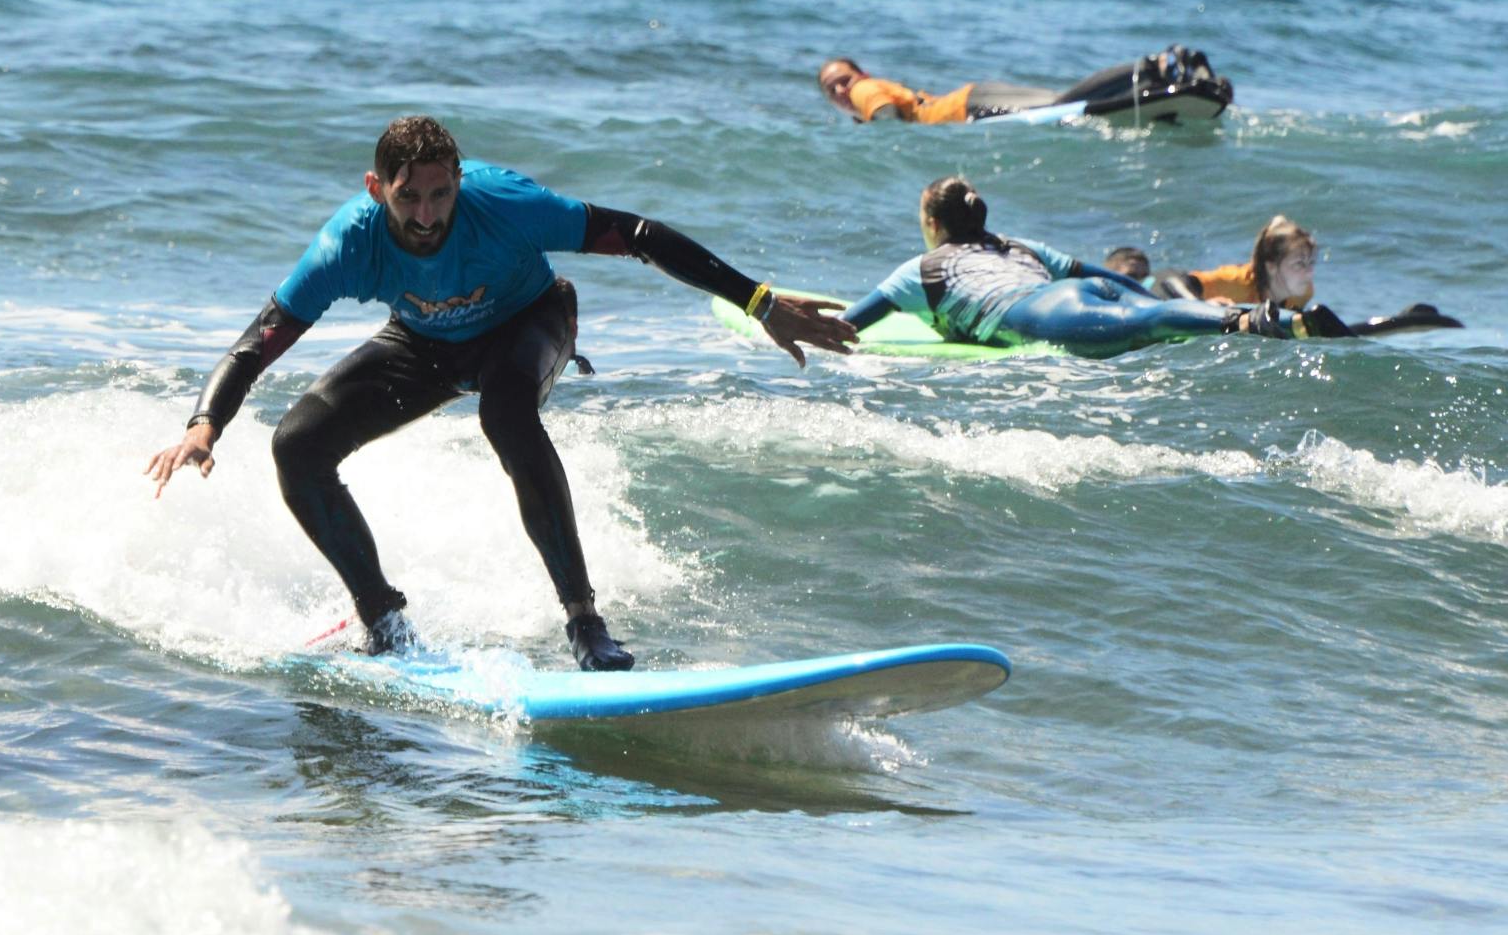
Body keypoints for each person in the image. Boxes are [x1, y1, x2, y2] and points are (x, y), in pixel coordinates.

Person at [145, 116, 858, 671]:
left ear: (458, 178)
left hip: (531, 320)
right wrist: (205, 423)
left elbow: (639, 234)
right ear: (375, 189)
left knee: (506, 412)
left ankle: (584, 621)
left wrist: (759, 303)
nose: (426, 216)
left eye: (440, 194)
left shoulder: (506, 204)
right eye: (407, 198)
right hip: (422, 342)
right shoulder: (347, 244)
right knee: (296, 445)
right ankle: (383, 620)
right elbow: (261, 336)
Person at [837, 177, 1348, 358]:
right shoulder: (1018, 245)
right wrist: (1159, 300)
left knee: (1145, 327)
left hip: (1041, 311)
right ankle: (1269, 318)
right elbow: (1108, 281)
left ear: (931, 222)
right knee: (1151, 316)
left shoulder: (923, 270)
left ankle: (1252, 319)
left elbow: (848, 326)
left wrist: (777, 318)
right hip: (1085, 292)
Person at [818, 45, 1221, 123]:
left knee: (1060, 106)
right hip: (969, 98)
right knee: (1063, 103)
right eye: (831, 90)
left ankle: (1155, 64)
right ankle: (1164, 74)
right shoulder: (867, 90)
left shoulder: (865, 91)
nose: (841, 91)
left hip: (967, 108)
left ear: (862, 77)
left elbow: (886, 117)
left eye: (844, 80)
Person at [1152, 215, 1315, 308]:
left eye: (1311, 263)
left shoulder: (1303, 293)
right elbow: (1170, 282)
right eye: (1299, 264)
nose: (1309, 273)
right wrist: (1203, 307)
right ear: (1271, 266)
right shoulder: (1235, 281)